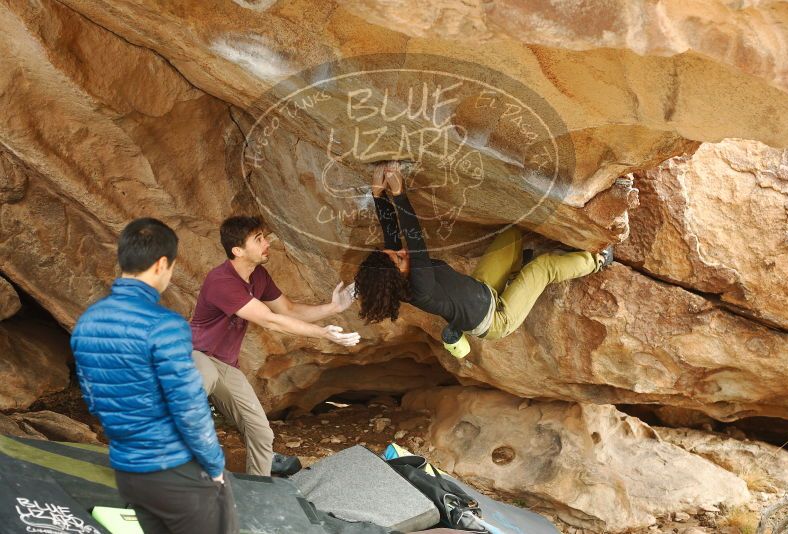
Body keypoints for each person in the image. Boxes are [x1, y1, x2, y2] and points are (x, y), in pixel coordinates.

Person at [71, 218, 237, 534]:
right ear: (161, 264)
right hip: (173, 470)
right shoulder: (165, 326)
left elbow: (94, 401)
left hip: (127, 471)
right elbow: (188, 406)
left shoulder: (87, 323)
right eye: (172, 268)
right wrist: (215, 466)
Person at [355, 161, 613, 358]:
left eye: (394, 254)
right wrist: (399, 193)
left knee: (512, 235)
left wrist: (378, 195)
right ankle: (598, 260)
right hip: (497, 319)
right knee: (542, 267)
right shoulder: (420, 288)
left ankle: (515, 275)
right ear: (398, 273)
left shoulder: (396, 275)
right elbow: (414, 238)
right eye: (399, 259)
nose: (401, 253)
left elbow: (391, 233)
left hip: (483, 289)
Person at [190, 215, 360, 477]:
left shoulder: (259, 276)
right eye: (258, 239)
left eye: (264, 237)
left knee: (261, 432)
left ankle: (259, 489)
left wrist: (334, 307)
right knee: (204, 379)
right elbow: (271, 320)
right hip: (195, 355)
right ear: (238, 250)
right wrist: (323, 333)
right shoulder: (221, 281)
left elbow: (288, 310)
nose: (266, 242)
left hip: (226, 365)